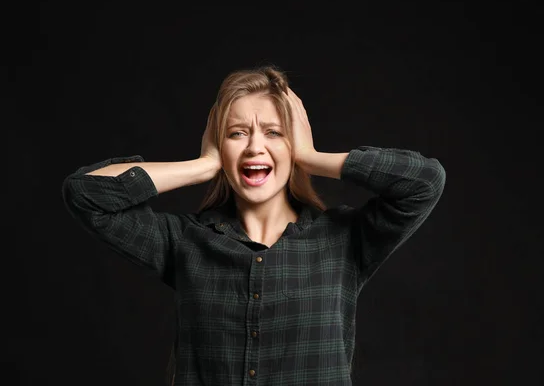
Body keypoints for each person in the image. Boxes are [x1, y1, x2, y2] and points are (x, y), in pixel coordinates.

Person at [62, 65, 446, 386]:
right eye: (237, 133)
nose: (254, 147)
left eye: (274, 132)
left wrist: (311, 157)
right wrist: (204, 165)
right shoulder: (184, 242)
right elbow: (86, 192)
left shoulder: (344, 240)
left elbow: (424, 182)